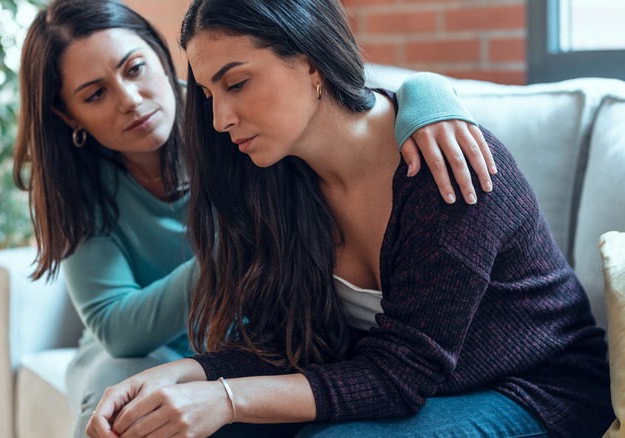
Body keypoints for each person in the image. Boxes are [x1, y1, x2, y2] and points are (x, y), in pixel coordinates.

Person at [84, 0, 615, 437]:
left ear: (311, 61)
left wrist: (224, 397)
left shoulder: (443, 166)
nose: (220, 119)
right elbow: (287, 349)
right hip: (418, 384)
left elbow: (401, 375)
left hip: (534, 388)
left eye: (237, 83)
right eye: (208, 95)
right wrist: (185, 374)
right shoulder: (280, 180)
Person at [13, 0, 497, 436]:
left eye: (135, 68)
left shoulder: (248, 131)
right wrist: (239, 250)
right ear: (68, 115)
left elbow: (347, 98)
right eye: (95, 94)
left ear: (161, 59)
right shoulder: (89, 181)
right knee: (116, 394)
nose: (131, 99)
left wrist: (429, 95)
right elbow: (119, 331)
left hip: (252, 334)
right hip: (178, 344)